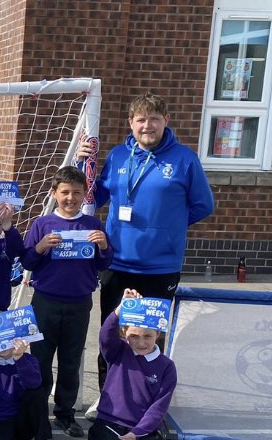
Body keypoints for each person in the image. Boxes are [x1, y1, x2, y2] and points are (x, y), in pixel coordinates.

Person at [80, 92, 214, 405]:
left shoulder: (184, 159)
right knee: (114, 333)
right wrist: (83, 162)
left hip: (160, 266)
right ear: (131, 123)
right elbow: (94, 197)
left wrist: (167, 229)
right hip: (118, 263)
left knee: (150, 335)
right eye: (141, 119)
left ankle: (148, 400)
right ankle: (108, 400)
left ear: (166, 121)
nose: (147, 125)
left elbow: (203, 206)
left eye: (154, 119)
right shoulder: (116, 157)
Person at [21, 166, 111, 440]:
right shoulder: (43, 224)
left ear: (85, 195)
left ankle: (65, 412)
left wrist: (105, 246)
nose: (70, 198)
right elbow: (27, 262)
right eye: (65, 192)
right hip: (45, 301)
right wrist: (40, 247)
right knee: (41, 359)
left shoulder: (93, 226)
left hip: (79, 302)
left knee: (71, 361)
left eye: (76, 193)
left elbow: (102, 265)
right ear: (54, 194)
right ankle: (39, 411)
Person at [87, 290, 176, 440]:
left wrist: (138, 432)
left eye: (148, 336)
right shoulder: (118, 351)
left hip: (142, 429)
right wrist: (119, 310)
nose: (141, 342)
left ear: (158, 333)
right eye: (134, 336)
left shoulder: (166, 366)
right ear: (124, 332)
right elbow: (105, 335)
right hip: (110, 424)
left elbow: (159, 406)